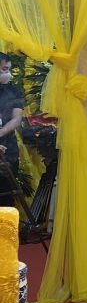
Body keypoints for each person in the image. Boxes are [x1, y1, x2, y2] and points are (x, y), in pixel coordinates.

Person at [0, 55, 24, 208]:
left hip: (8, 149)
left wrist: (1, 133)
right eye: (4, 69)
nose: (7, 73)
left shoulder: (13, 91)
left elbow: (16, 118)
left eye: (8, 69)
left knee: (6, 196)